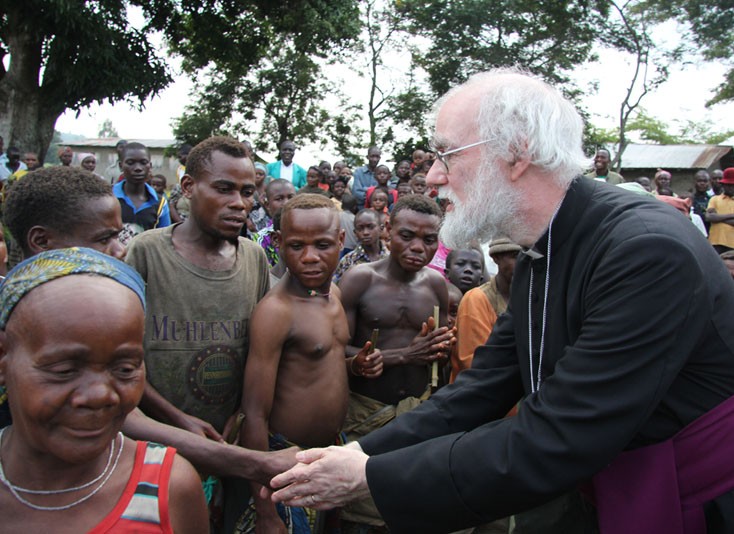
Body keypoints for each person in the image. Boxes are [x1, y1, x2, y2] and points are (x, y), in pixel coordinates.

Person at [270, 68, 734, 534]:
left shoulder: (646, 251)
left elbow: (561, 435)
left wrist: (369, 476)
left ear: (515, 153)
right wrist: (362, 452)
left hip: (693, 502)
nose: (432, 176)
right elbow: (484, 386)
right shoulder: (542, 247)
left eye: (446, 154)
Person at [0, 165, 295, 487]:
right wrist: (256, 463)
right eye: (105, 239)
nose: (120, 249)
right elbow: (130, 421)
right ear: (42, 240)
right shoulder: (30, 320)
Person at [0, 247, 208, 532]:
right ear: (3, 360)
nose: (100, 395)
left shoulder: (171, 487)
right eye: (64, 371)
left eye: (124, 370)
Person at [125, 137, 271, 528]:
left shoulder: (254, 257)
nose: (239, 203)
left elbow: (262, 350)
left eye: (247, 191)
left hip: (231, 443)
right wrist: (177, 419)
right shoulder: (146, 252)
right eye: (223, 189)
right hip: (155, 445)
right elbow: (123, 362)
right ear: (188, 188)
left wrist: (242, 416)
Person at [240, 194, 381, 533]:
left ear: (341, 241)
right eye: (296, 246)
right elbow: (254, 414)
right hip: (288, 461)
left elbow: (316, 364)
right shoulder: (276, 311)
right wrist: (265, 511)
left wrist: (354, 366)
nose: (310, 258)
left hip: (331, 450)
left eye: (322, 245)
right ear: (278, 244)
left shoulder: (334, 294)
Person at [335, 194, 455, 532]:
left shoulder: (435, 285)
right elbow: (334, 347)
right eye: (407, 236)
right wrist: (397, 356)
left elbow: (437, 353)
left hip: (417, 414)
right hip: (365, 414)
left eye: (429, 240)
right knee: (360, 515)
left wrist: (442, 350)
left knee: (408, 512)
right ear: (388, 231)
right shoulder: (361, 279)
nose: (418, 247)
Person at [449, 238, 521, 383]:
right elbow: (475, 364)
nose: (525, 262)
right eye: (516, 256)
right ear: (496, 258)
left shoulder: (534, 296)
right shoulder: (477, 299)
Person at [113, 141, 171, 245]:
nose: (138, 168)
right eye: (130, 163)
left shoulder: (160, 203)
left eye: (143, 163)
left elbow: (164, 242)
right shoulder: (108, 197)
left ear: (150, 166)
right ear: (121, 166)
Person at [333, 209, 389, 284]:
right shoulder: (348, 261)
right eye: (360, 228)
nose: (365, 232)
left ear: (381, 229)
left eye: (370, 227)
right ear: (355, 233)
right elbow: (337, 288)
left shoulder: (391, 259)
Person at [706, 167, 734, 253]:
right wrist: (732, 215)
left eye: (733, 185)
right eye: (728, 185)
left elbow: (713, 217)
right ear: (723, 185)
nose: (731, 188)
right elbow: (709, 217)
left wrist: (718, 218)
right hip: (715, 242)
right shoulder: (714, 199)